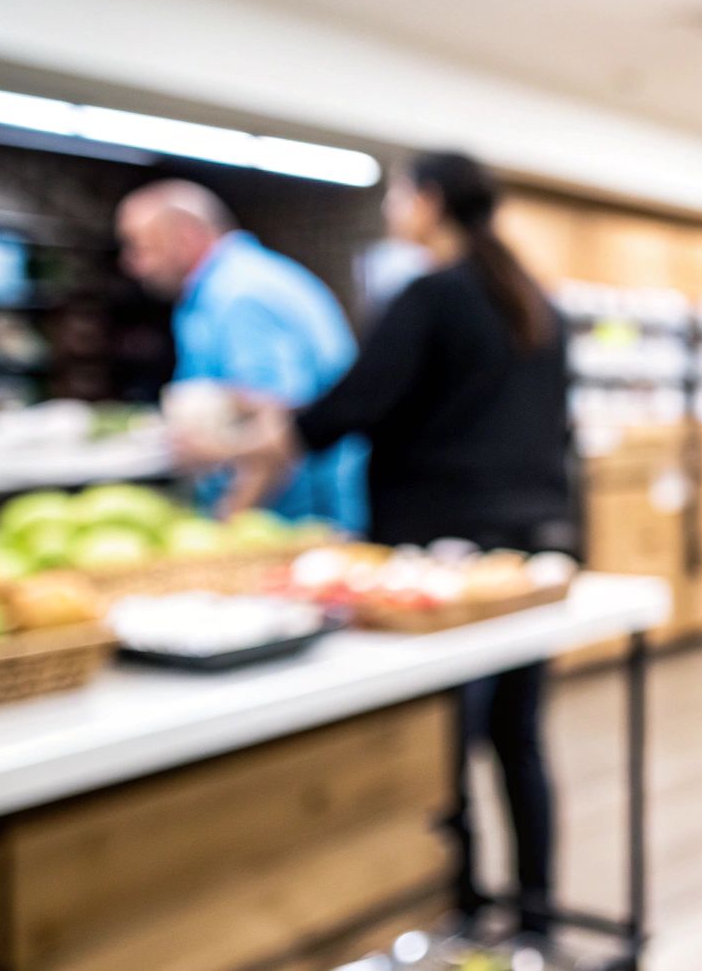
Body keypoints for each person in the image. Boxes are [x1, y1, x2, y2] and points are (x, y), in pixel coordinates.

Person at [191, 152, 577, 934]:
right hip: (522, 553)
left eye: (398, 194)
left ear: (428, 202)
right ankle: (533, 916)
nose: (392, 209)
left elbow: (352, 405)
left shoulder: (431, 296)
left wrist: (249, 443)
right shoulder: (533, 301)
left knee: (442, 744)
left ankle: (456, 908)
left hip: (438, 556)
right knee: (518, 736)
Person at [115, 180, 366, 530]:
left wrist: (225, 527)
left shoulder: (239, 296)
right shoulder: (234, 282)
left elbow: (279, 428)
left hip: (292, 524)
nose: (132, 265)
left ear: (185, 236)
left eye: (141, 248)